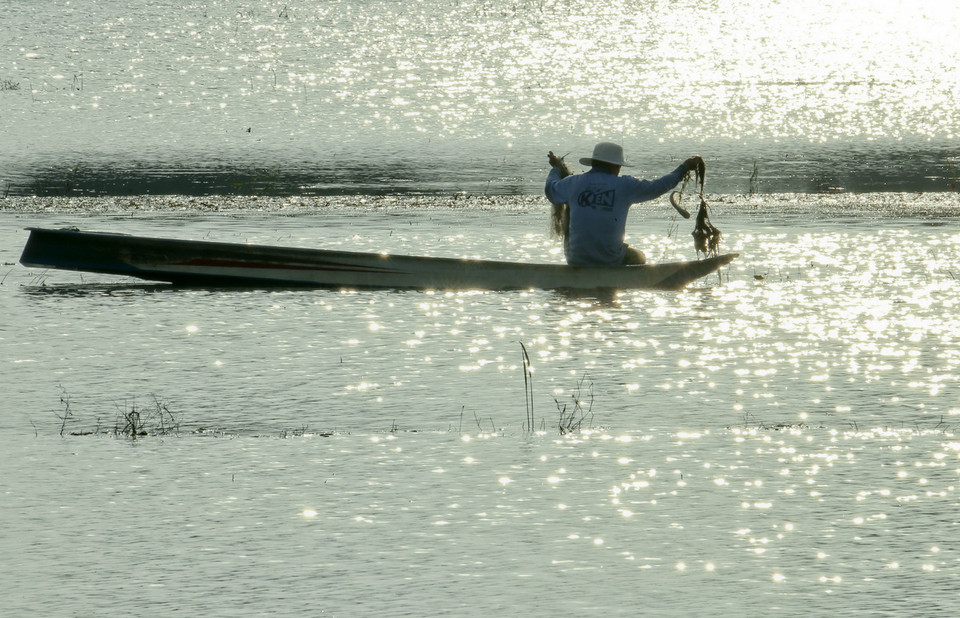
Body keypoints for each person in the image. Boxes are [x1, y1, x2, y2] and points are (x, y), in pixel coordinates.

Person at [545, 142, 704, 267]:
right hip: (609, 260)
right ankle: (620, 280)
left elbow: (551, 189)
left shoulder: (572, 183)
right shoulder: (625, 186)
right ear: (616, 165)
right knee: (640, 257)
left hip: (576, 259)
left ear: (594, 163)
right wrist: (684, 168)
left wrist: (556, 168)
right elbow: (659, 186)